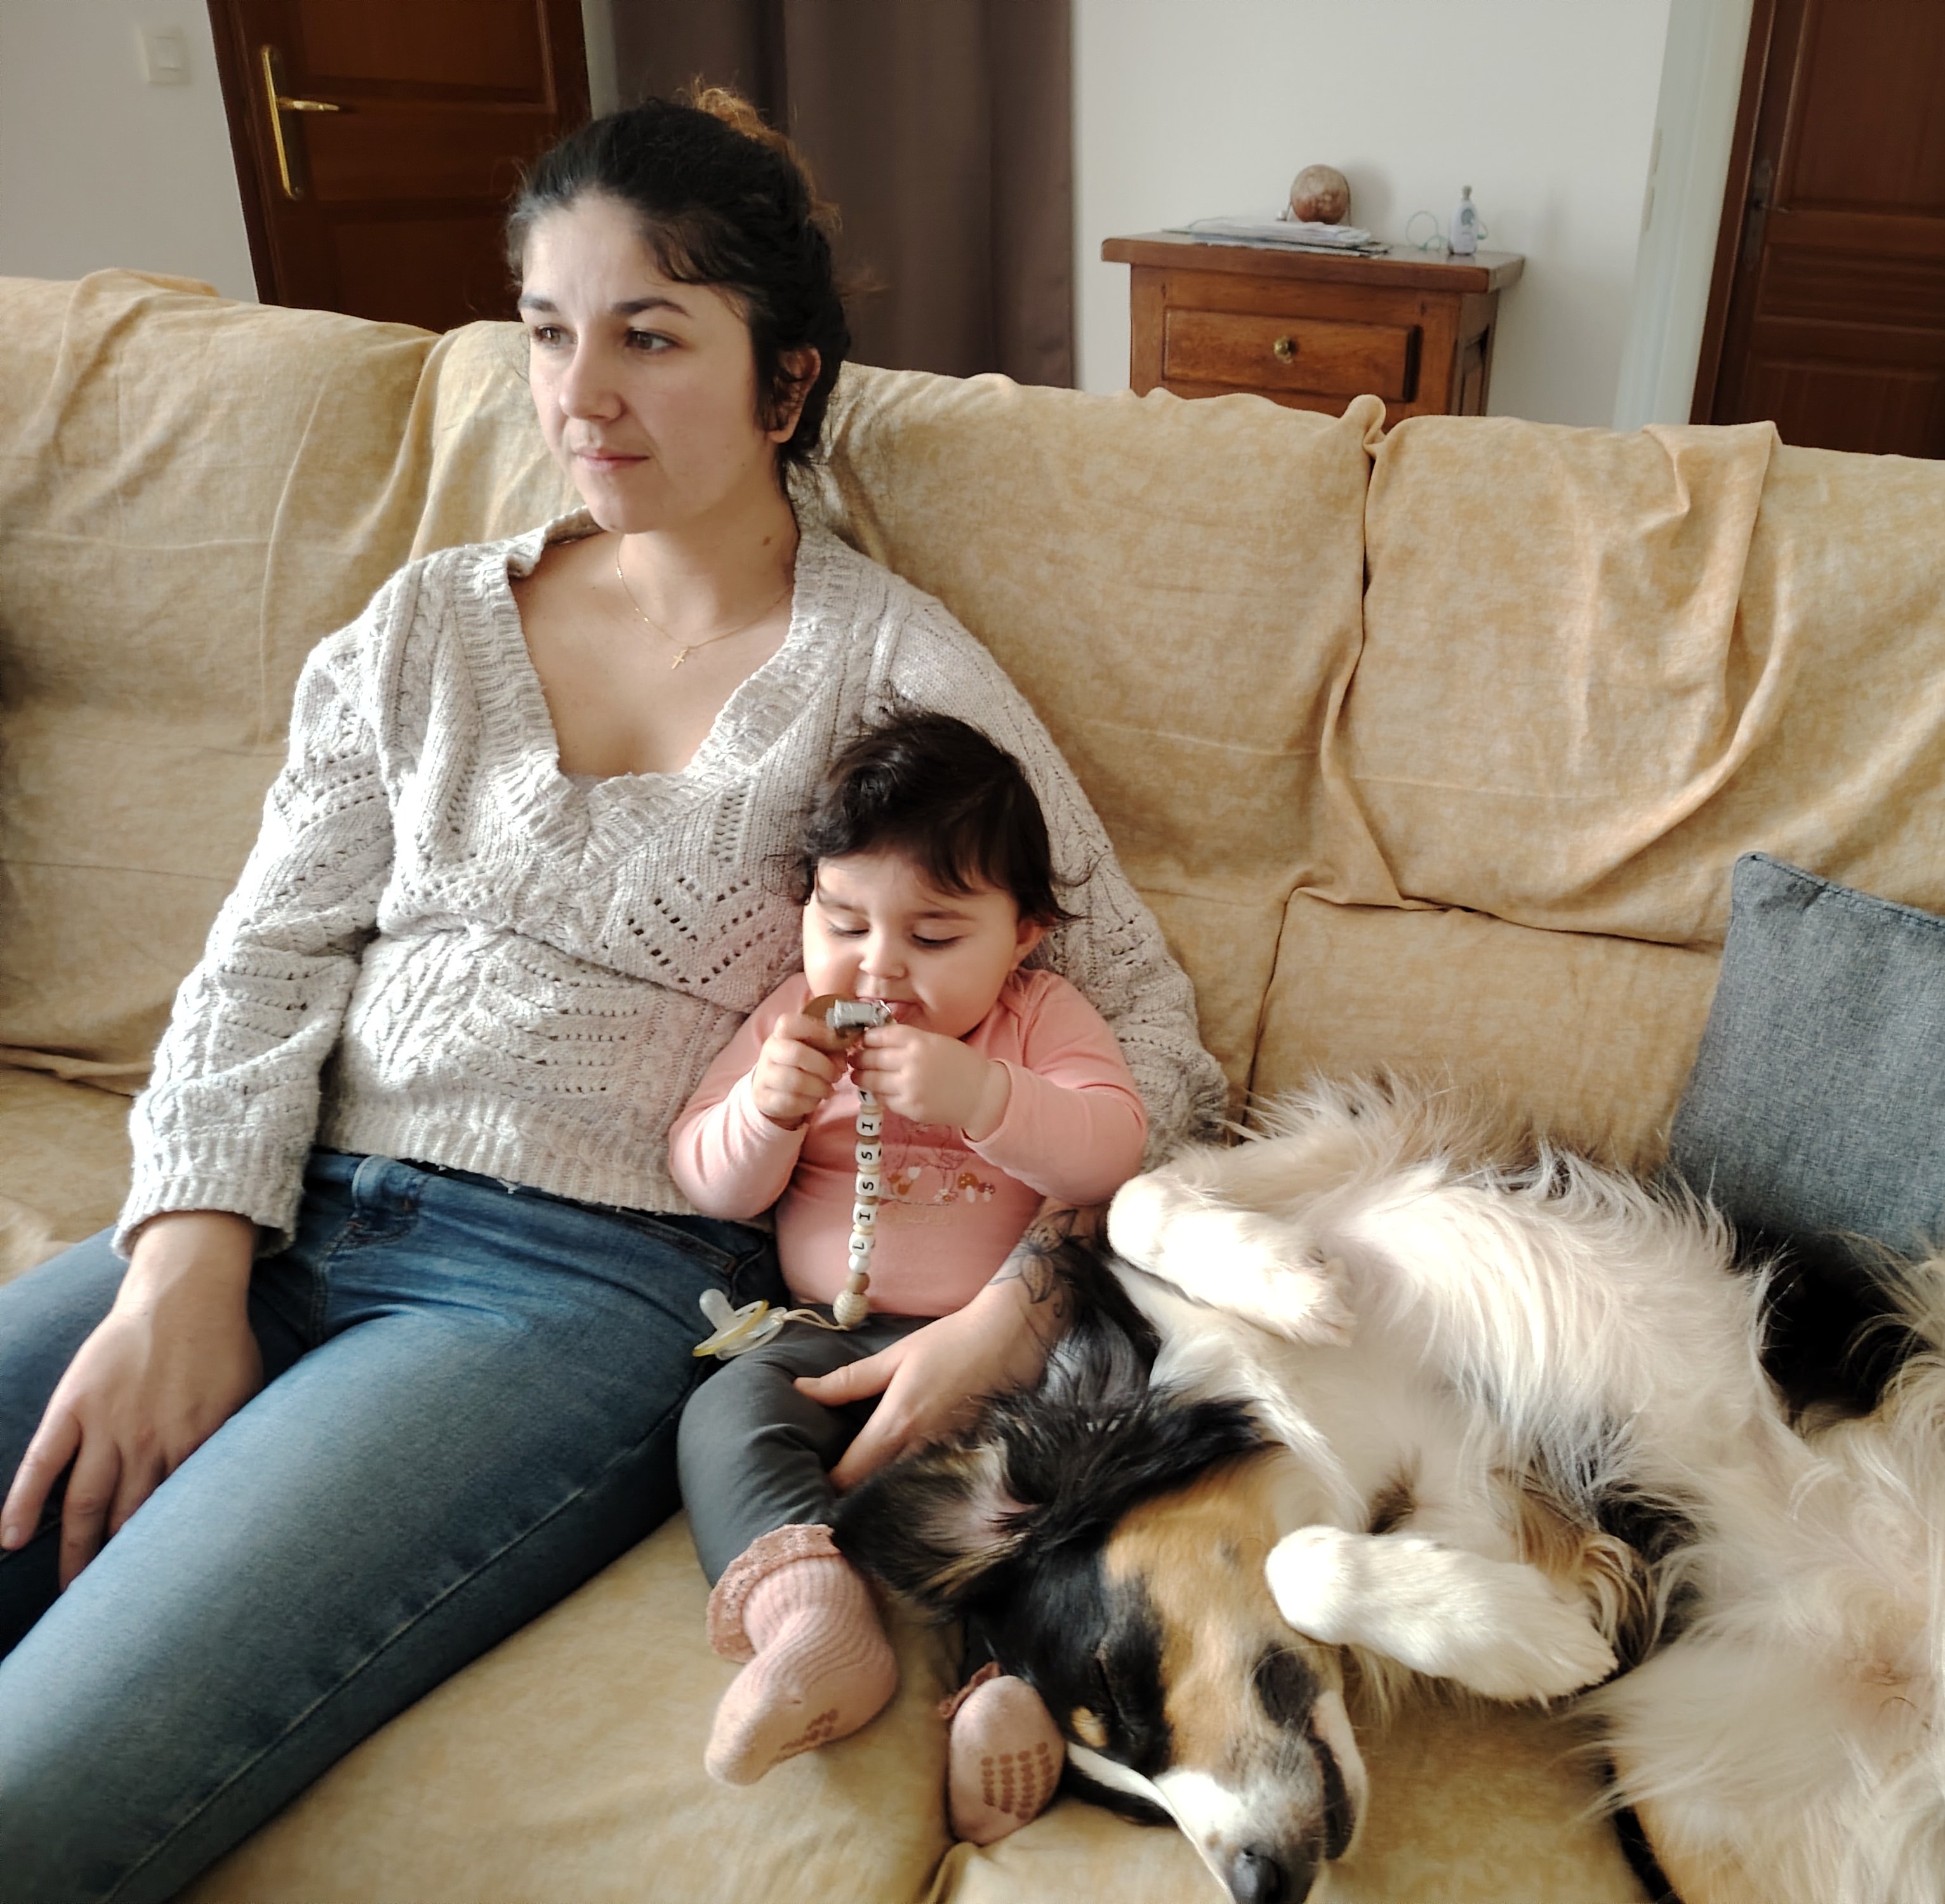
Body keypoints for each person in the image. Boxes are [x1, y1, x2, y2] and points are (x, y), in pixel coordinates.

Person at [0, 91, 1219, 1903]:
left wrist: (1020, 1310)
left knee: (36, 1790)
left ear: (785, 383)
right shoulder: (420, 627)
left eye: (650, 336)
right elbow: (261, 956)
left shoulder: (896, 671)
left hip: (561, 1296)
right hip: (274, 1205)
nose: (581, 395)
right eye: (548, 331)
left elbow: (1158, 1044)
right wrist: (185, 1258)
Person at [670, 710, 1131, 1826]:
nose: (878, 966)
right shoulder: (792, 1024)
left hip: (1019, 1360)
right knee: (727, 1417)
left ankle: (1013, 1689)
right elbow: (708, 1179)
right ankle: (809, 1611)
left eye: (933, 936)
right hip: (828, 1339)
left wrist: (984, 1096)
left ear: (1023, 936)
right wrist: (765, 1113)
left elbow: (1112, 1150)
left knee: (1072, 1483)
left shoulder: (1038, 1019)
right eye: (843, 923)